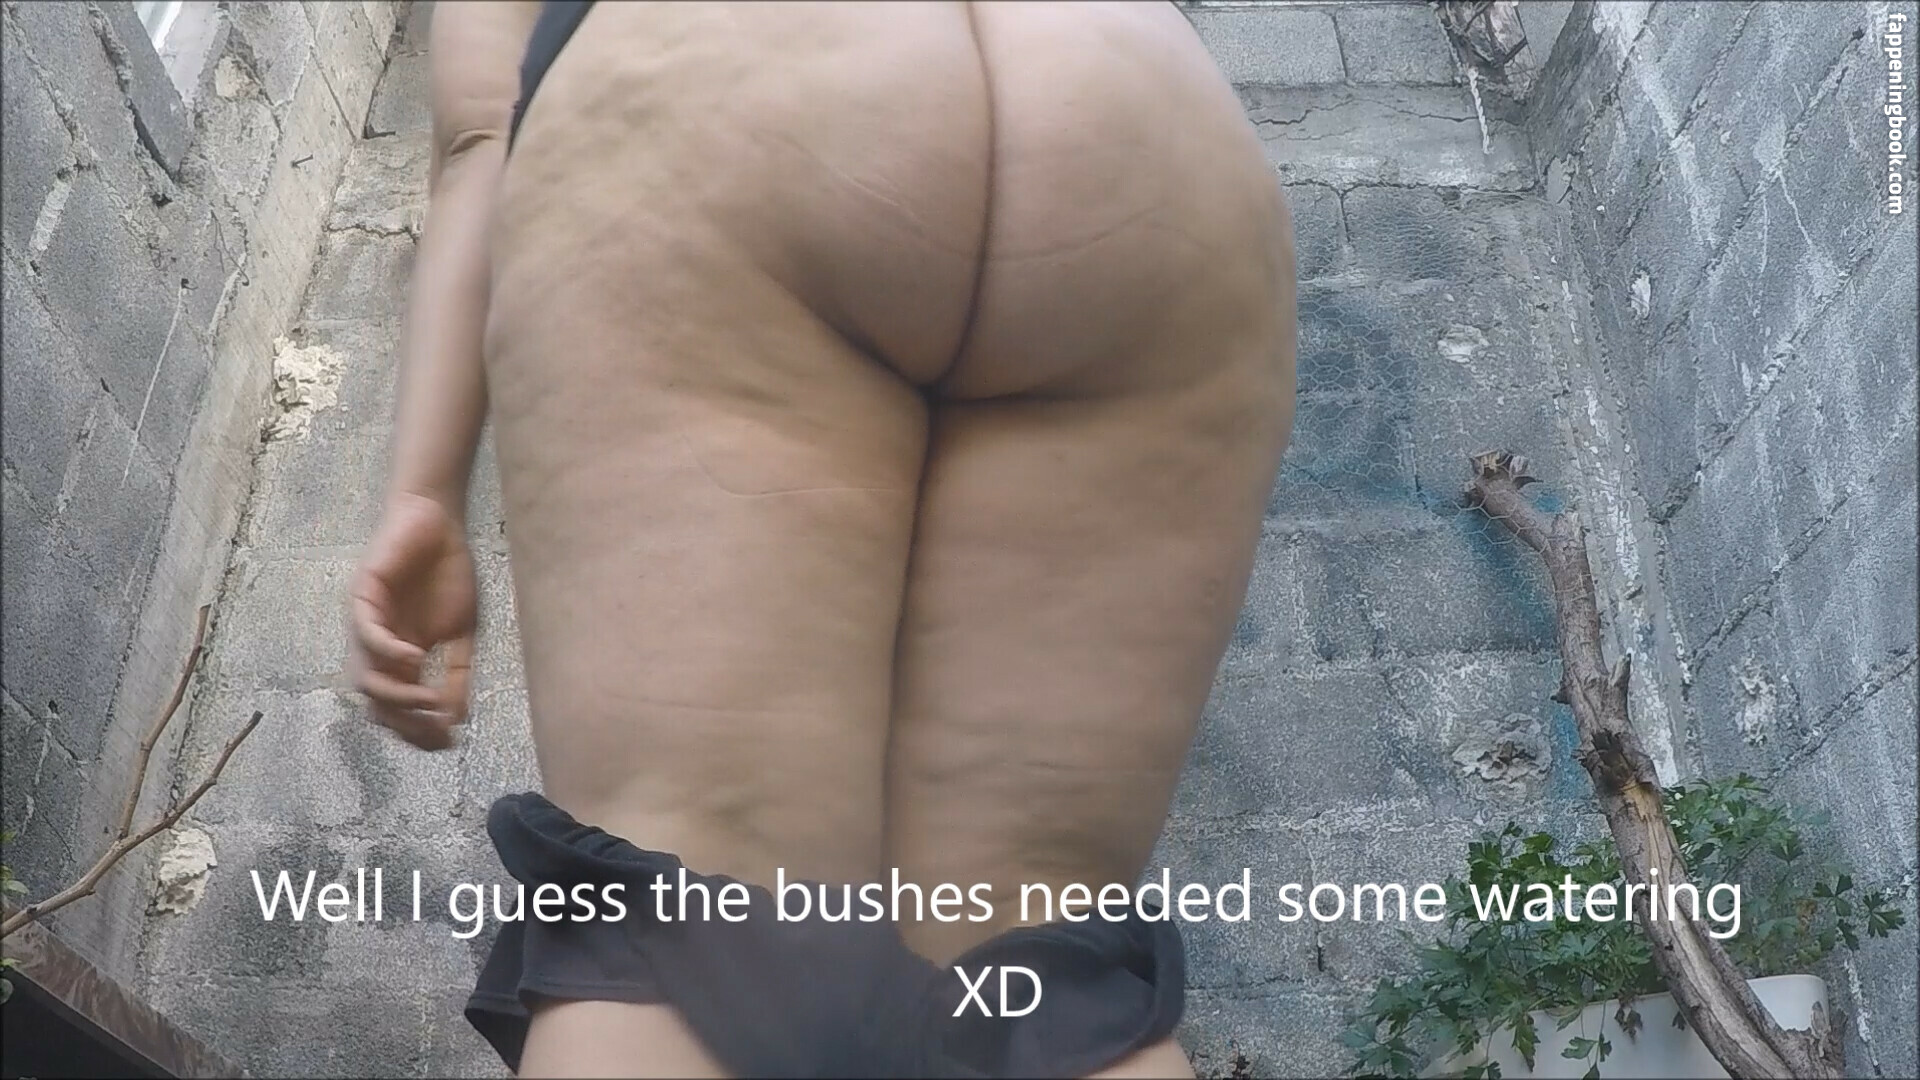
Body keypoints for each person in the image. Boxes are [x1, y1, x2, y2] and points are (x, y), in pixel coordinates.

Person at [347, 2, 1295, 1076]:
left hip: (734, 82)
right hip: (1143, 117)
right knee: (1037, 950)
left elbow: (480, 136)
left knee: (689, 902)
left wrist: (424, 490)